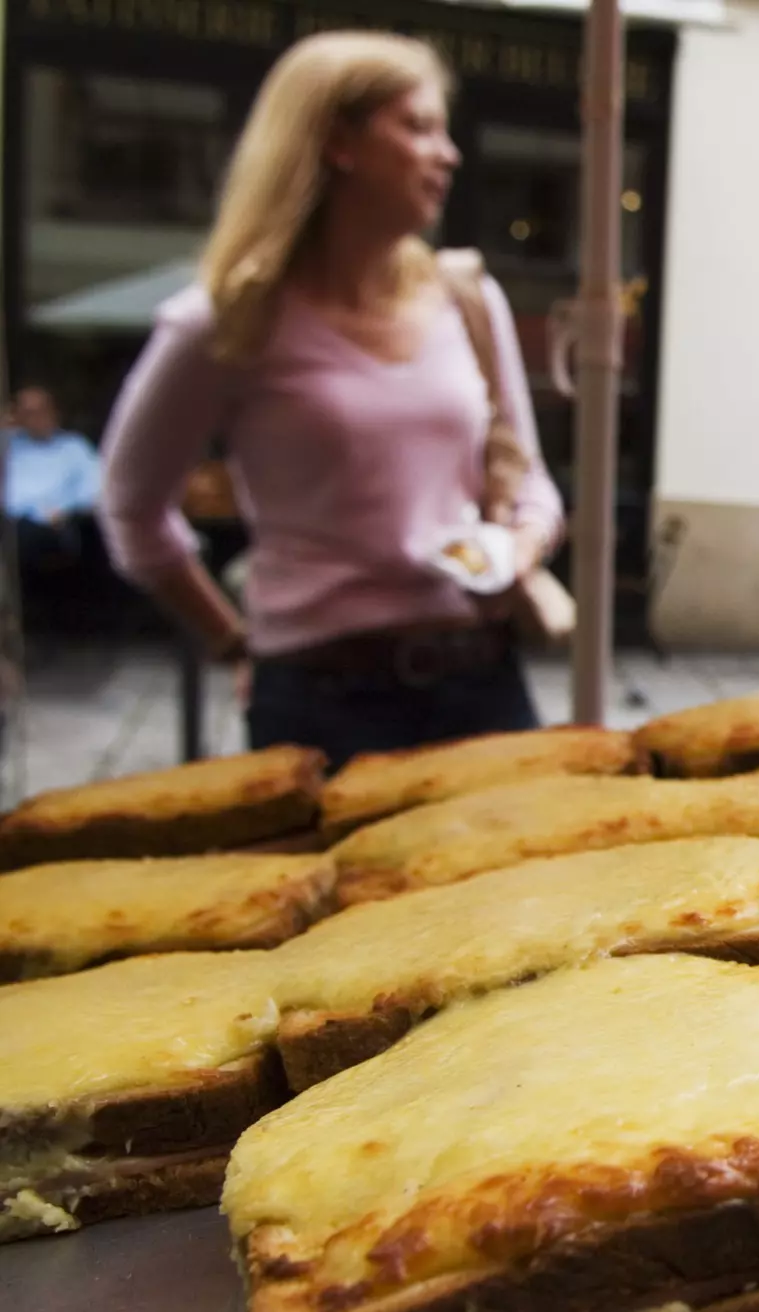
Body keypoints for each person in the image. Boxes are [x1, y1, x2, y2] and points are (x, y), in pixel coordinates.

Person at [99, 32, 562, 771]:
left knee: (530, 885)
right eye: (417, 127)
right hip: (321, 698)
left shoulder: (468, 300)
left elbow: (530, 479)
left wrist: (518, 551)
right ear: (336, 142)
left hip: (483, 680)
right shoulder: (224, 321)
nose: (448, 153)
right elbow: (131, 510)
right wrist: (228, 639)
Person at [5, 386, 101, 575]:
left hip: (63, 525)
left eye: (41, 410)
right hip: (15, 525)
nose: (36, 418)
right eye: (28, 413)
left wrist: (65, 510)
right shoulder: (8, 448)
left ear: (54, 412)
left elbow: (95, 489)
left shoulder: (74, 447)